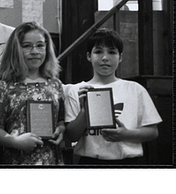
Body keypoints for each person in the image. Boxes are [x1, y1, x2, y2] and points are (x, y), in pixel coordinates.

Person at [64, 28, 162, 165]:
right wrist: (85, 111)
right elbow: (72, 135)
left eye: (112, 52)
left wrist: (126, 134)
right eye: (98, 52)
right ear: (88, 56)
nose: (105, 58)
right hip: (90, 162)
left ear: (120, 57)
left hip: (128, 162)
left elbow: (152, 132)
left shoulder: (135, 89)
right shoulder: (77, 90)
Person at [0, 22, 65, 165]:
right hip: (17, 161)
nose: (35, 51)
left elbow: (61, 121)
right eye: (27, 46)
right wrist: (16, 142)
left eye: (40, 45)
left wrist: (60, 130)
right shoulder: (5, 86)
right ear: (16, 49)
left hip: (50, 160)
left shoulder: (55, 84)